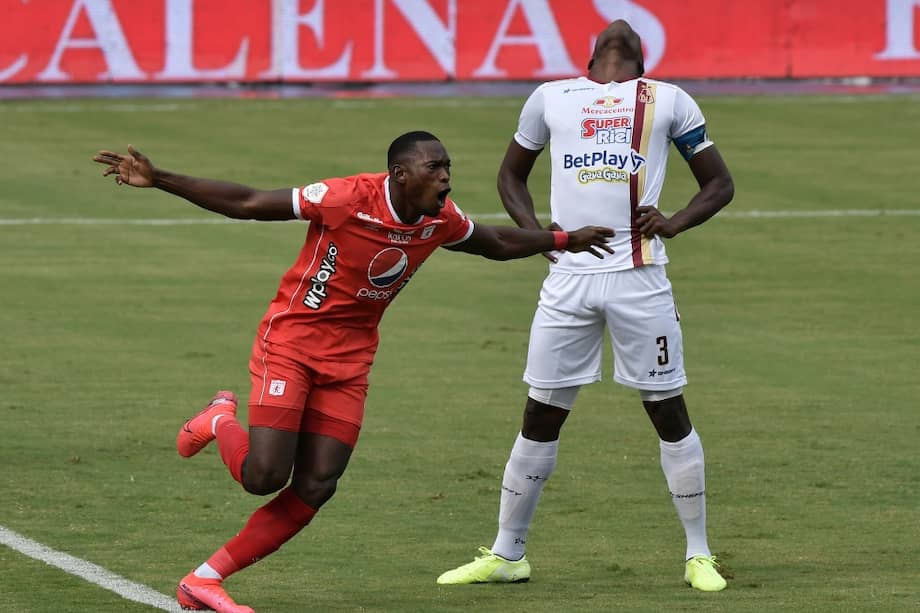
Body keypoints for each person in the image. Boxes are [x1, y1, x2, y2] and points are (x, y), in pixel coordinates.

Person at [93, 131, 613, 613]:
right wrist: (159, 178)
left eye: (448, 167)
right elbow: (250, 203)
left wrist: (562, 239)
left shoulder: (441, 219)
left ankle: (203, 580)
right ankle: (218, 420)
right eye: (435, 168)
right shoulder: (345, 198)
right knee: (264, 477)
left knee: (318, 483)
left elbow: (493, 243)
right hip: (291, 344)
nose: (447, 178)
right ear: (401, 175)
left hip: (349, 362)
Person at [436, 20, 735, 592]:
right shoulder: (550, 97)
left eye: (631, 38)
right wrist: (541, 237)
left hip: (639, 277)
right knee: (541, 412)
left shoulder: (668, 99)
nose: (621, 29)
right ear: (590, 56)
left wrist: (673, 222)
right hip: (568, 280)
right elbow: (510, 176)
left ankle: (699, 554)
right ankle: (507, 554)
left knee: (666, 409)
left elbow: (718, 184)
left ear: (641, 60)